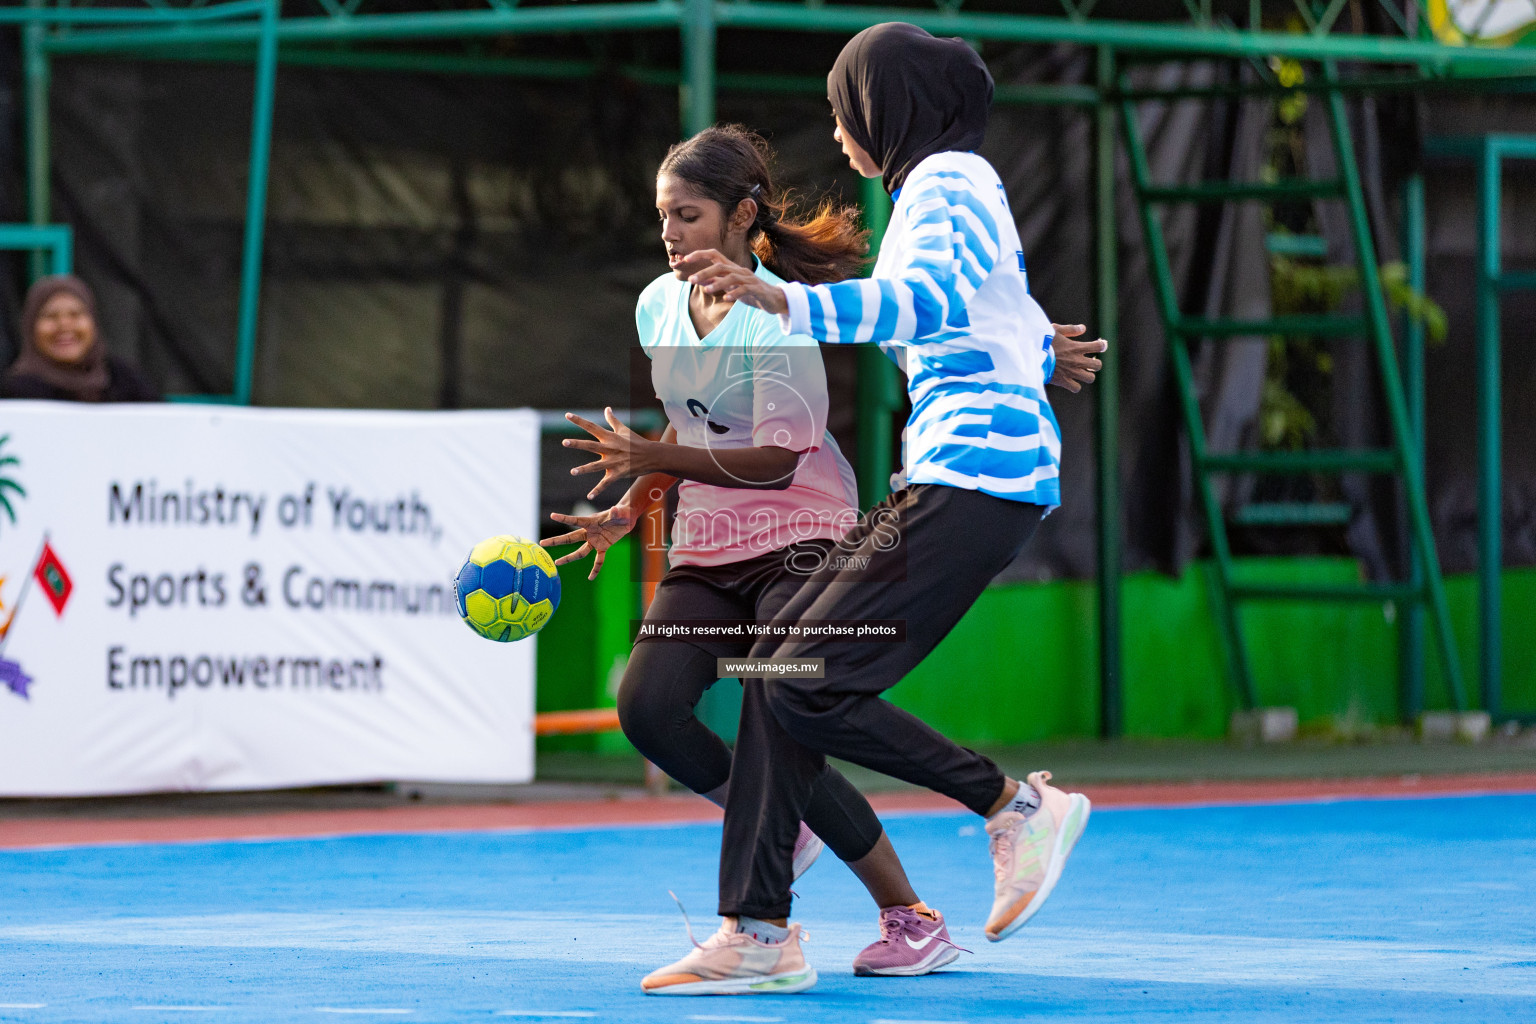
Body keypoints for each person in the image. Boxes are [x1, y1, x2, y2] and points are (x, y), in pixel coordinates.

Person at [640, 23, 1098, 994]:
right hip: (964, 477)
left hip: (973, 478)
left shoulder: (945, 183)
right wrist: (1034, 349)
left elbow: (920, 300)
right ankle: (759, 932)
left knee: (799, 678)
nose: (842, 132)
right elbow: (982, 303)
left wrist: (778, 301)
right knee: (781, 673)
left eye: (846, 110)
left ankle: (1014, 806)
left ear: (885, 110)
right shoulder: (950, 189)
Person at [542, 125, 965, 984]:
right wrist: (630, 505)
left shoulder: (778, 317)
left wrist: (654, 463)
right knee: (647, 708)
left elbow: (775, 461)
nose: (669, 233)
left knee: (781, 707)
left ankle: (905, 917)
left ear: (740, 219)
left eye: (687, 215)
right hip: (707, 545)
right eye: (662, 215)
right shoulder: (657, 303)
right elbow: (686, 422)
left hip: (801, 540)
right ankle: (787, 833)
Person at [1, 275, 158, 402]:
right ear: (30, 327)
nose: (64, 325)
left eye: (76, 314)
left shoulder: (124, 381)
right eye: (50, 316)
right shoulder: (14, 394)